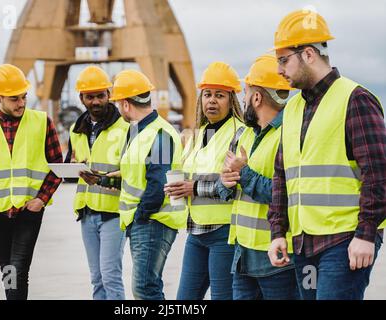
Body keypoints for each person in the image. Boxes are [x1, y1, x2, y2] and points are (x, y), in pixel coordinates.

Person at [267, 10, 386, 300]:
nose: (280, 70)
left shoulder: (356, 99)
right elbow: (282, 175)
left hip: (344, 241)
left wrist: (366, 234)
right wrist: (277, 231)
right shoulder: (293, 109)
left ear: (308, 54)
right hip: (304, 243)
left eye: (284, 60)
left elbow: (378, 172)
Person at [0, 64, 63, 300]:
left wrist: (42, 199)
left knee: (18, 268)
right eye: (14, 98)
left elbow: (57, 165)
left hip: (28, 210)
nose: (21, 103)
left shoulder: (42, 121)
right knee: (7, 269)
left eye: (24, 97)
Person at [218, 54, 298, 300]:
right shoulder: (247, 135)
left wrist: (244, 174)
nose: (243, 100)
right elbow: (228, 189)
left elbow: (285, 192)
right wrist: (226, 183)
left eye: (246, 93)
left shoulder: (289, 135)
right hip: (243, 256)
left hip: (275, 257)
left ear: (256, 97)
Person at [164, 62, 245, 300]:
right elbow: (188, 172)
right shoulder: (198, 135)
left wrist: (193, 188)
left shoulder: (240, 134)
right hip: (196, 231)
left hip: (224, 232)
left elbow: (234, 183)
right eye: (207, 94)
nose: (212, 100)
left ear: (232, 101)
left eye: (220, 95)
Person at [109, 69, 187, 300]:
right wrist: (106, 179)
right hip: (146, 220)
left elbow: (157, 185)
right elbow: (138, 174)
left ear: (124, 104)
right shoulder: (139, 131)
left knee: (145, 289)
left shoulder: (160, 133)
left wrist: (139, 217)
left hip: (154, 221)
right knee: (147, 287)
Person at [65, 66, 129, 300]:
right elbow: (71, 166)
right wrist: (74, 166)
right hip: (87, 211)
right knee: (97, 278)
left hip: (113, 212)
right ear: (81, 98)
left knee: (110, 276)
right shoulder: (76, 130)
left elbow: (132, 173)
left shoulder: (125, 129)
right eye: (90, 97)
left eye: (100, 95)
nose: (96, 101)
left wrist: (102, 176)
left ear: (109, 95)